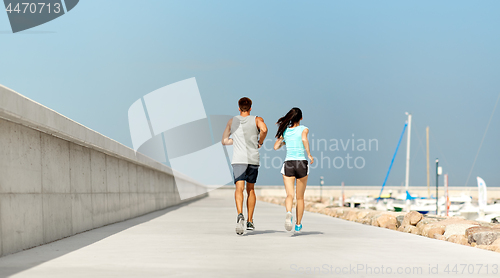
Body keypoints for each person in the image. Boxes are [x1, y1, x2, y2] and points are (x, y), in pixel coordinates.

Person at [222, 97, 268, 235]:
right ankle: (249, 220)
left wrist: (235, 141)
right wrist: (260, 141)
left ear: (238, 108)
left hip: (239, 160)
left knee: (239, 189)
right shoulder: (257, 119)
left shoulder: (232, 121)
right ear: (250, 108)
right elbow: (264, 129)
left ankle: (240, 214)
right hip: (253, 159)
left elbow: (224, 140)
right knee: (251, 190)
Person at [273, 107, 314, 232]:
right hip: (301, 163)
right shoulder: (304, 129)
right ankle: (298, 224)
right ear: (301, 118)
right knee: (300, 197)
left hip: (289, 163)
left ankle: (289, 212)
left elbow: (275, 147)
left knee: (289, 195)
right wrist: (309, 154)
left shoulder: (285, 130)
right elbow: (303, 139)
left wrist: (285, 142)